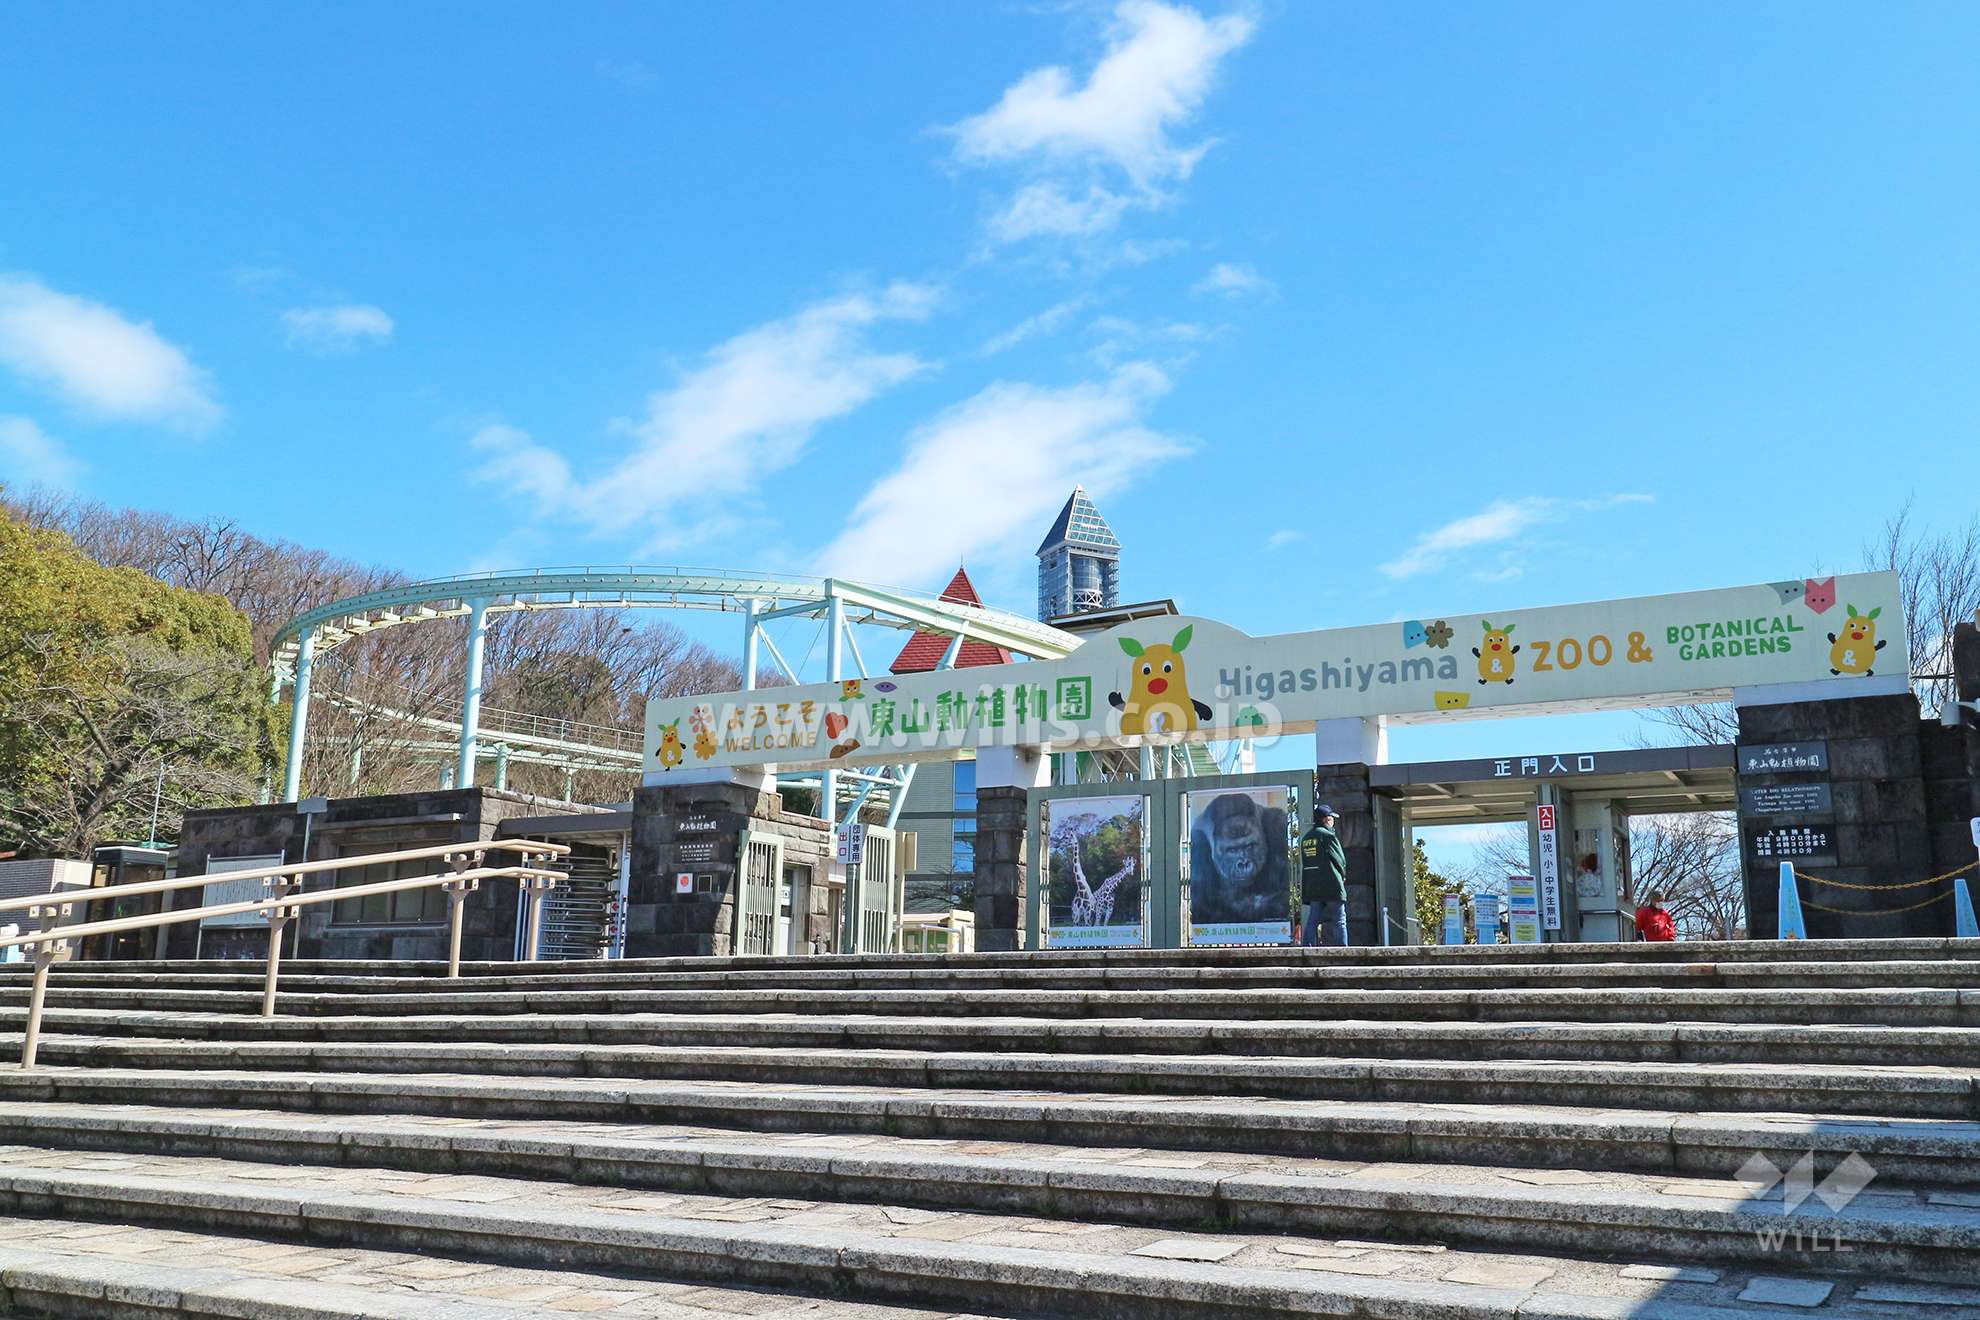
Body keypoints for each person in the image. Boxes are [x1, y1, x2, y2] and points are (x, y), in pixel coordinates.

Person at [1298, 804, 1348, 947]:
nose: (1333, 821)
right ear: (1326, 819)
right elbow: (1339, 860)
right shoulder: (1328, 836)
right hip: (1332, 885)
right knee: (1339, 920)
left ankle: (1306, 948)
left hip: (1313, 886)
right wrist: (1343, 875)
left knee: (1313, 920)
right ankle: (1344, 951)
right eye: (1331, 818)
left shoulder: (1306, 838)